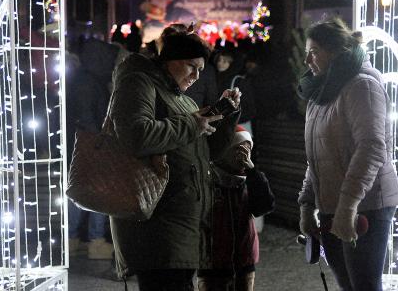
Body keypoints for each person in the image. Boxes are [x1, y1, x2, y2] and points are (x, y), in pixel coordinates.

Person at [109, 27, 241, 291]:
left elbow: (206, 152)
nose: (196, 76)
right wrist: (193, 125)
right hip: (157, 223)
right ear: (170, 59)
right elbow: (136, 135)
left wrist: (226, 117)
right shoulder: (138, 82)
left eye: (201, 70)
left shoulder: (182, 100)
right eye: (191, 66)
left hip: (181, 223)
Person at [297, 17, 398, 291]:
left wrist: (348, 207)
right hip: (334, 207)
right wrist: (307, 205)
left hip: (366, 205)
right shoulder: (321, 93)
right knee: (347, 285)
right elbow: (317, 157)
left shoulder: (360, 85)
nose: (307, 60)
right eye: (307, 52)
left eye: (315, 52)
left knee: (364, 285)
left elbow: (372, 147)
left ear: (337, 51)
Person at [197, 125, 274, 291]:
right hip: (212, 263)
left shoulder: (250, 179)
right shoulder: (208, 179)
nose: (244, 154)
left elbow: (264, 206)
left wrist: (252, 171)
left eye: (248, 148)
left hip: (244, 260)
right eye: (238, 149)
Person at [67, 38, 119, 259]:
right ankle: (95, 240)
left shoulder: (84, 79)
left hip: (82, 144)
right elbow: (87, 115)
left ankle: (73, 238)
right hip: (91, 144)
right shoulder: (90, 82)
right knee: (97, 191)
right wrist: (100, 141)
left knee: (80, 190)